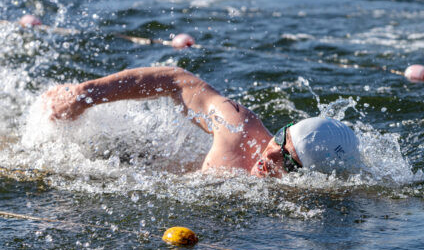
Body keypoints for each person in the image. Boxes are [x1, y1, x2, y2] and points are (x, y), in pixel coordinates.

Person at [43, 66, 360, 177]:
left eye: (289, 162)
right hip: (131, 161)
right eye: (279, 139)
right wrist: (86, 93)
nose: (271, 154)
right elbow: (174, 80)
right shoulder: (239, 127)